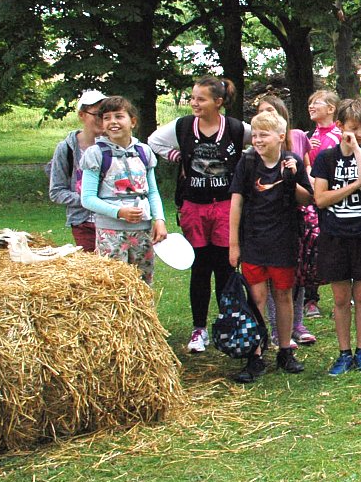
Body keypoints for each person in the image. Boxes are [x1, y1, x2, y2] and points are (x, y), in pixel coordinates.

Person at [148, 76, 252, 354]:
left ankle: (227, 324)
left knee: (226, 268)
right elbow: (153, 141)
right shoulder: (183, 126)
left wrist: (248, 161)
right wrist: (178, 157)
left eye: (201, 99)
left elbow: (265, 139)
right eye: (193, 98)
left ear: (218, 102)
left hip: (225, 206)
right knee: (200, 267)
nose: (194, 103)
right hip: (194, 206)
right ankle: (199, 329)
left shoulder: (235, 128)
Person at [227, 110, 314, 383]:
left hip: (284, 241)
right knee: (257, 298)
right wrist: (233, 244)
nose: (258, 140)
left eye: (264, 135)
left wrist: (291, 179)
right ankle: (255, 354)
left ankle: (285, 350)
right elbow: (236, 203)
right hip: (253, 241)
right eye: (255, 135)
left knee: (284, 295)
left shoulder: (292, 161)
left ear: (280, 137)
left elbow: (307, 199)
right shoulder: (247, 162)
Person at [310, 98, 361, 375]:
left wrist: (356, 152)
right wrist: (353, 185)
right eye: (354, 128)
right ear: (340, 126)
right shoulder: (325, 159)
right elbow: (321, 199)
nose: (360, 134)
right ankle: (344, 352)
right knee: (341, 299)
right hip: (335, 236)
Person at [78, 96, 167, 282]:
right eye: (107, 118)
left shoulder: (144, 152)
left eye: (119, 116)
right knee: (114, 286)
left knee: (142, 285)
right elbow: (87, 198)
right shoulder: (96, 154)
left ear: (132, 121)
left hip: (143, 232)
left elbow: (152, 192)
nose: (113, 122)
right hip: (110, 233)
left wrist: (159, 219)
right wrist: (119, 212)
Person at [254, 94, 318, 347]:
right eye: (261, 112)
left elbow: (307, 171)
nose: (266, 116)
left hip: (296, 217)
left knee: (296, 274)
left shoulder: (299, 138)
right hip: (267, 223)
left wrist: (295, 178)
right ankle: (276, 330)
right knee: (272, 281)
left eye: (271, 111)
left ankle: (297, 324)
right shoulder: (253, 156)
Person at [48, 89, 108, 252]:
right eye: (97, 114)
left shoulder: (114, 146)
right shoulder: (66, 148)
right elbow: (56, 191)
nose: (102, 119)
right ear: (82, 115)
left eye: (106, 114)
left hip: (113, 222)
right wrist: (88, 199)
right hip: (83, 224)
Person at [302, 90, 340, 319]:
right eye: (310, 102)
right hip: (312, 200)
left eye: (316, 103)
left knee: (338, 247)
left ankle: (342, 299)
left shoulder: (340, 135)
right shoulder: (307, 136)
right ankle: (310, 299)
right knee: (310, 246)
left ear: (331, 109)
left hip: (336, 201)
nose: (311, 106)